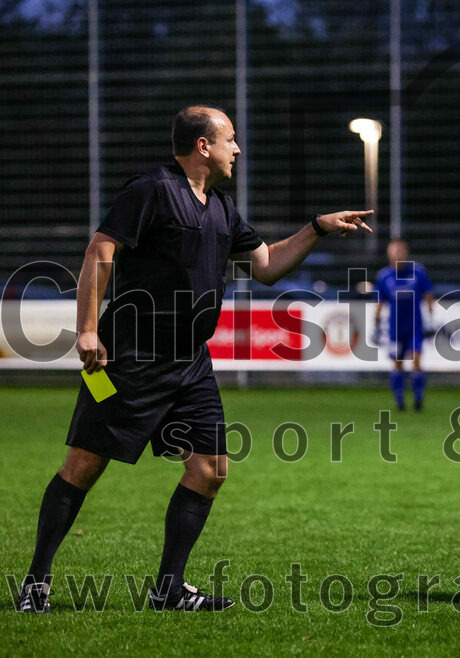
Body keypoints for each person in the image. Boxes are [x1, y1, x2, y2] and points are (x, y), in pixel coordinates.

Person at [18, 105, 372, 613]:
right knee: (84, 464)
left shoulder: (222, 208)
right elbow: (101, 249)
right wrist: (89, 328)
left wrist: (317, 227)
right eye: (230, 139)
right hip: (130, 358)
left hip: (189, 363)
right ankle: (36, 582)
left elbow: (267, 265)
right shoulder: (151, 191)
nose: (237, 149)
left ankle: (169, 589)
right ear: (203, 146)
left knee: (209, 470)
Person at [374, 239, 434, 411]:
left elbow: (428, 295)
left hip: (415, 325)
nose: (397, 254)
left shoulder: (418, 272)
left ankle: (418, 400)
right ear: (388, 254)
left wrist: (430, 320)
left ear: (406, 252)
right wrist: (376, 326)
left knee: (416, 361)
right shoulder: (384, 276)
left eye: (400, 251)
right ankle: (399, 401)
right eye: (393, 251)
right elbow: (380, 302)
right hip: (395, 327)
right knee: (397, 363)